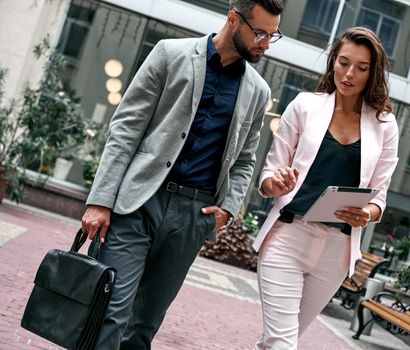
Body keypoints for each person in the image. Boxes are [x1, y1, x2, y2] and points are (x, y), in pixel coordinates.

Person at [80, 1, 284, 348]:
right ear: (234, 19)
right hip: (139, 202)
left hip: (193, 216)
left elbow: (246, 160)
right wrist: (100, 200)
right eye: (260, 32)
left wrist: (227, 210)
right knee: (112, 310)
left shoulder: (258, 91)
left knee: (144, 324)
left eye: (272, 35)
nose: (265, 43)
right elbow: (126, 129)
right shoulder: (169, 54)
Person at [252, 26, 399, 349]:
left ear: (373, 74)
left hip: (336, 251)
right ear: (333, 61)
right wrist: (274, 183)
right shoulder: (304, 106)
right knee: (282, 342)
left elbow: (380, 196)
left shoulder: (385, 125)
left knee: (276, 341)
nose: (349, 74)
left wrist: (368, 212)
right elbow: (269, 173)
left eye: (362, 68)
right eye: (344, 63)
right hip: (289, 237)